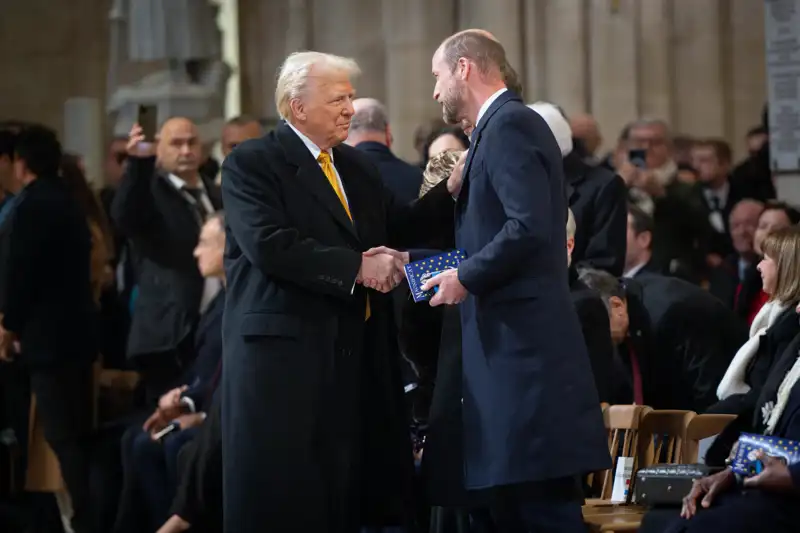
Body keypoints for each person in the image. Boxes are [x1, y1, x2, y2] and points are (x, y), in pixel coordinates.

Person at [220, 51, 458, 532]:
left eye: (351, 97)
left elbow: (402, 223)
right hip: (286, 363)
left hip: (352, 359)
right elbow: (270, 245)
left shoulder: (354, 166)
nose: (350, 108)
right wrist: (357, 267)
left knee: (349, 500)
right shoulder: (252, 163)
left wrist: (452, 186)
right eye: (338, 99)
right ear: (297, 106)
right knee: (289, 502)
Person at [422, 30, 609, 532]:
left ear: (464, 68)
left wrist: (466, 275)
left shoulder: (510, 126)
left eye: (438, 76)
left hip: (524, 361)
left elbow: (528, 225)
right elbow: (489, 231)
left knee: (537, 511)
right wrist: (412, 258)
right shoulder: (492, 132)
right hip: (505, 358)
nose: (435, 91)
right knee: (505, 508)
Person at [0, 125, 98, 533]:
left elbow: (18, 277)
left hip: (47, 341)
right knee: (75, 432)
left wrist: (8, 327)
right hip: (77, 336)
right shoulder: (69, 201)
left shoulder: (30, 207)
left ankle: (88, 517)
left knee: (62, 436)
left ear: (21, 163)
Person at [111, 117, 222, 401]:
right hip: (169, 333)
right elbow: (125, 215)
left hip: (215, 325)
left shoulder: (217, 192)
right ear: (159, 148)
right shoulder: (149, 190)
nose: (186, 150)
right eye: (176, 143)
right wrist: (138, 163)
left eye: (191, 142)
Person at [578, 268, 747, 411]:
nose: (595, 340)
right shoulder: (630, 312)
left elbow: (709, 391)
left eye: (596, 328)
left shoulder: (671, 312)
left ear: (617, 306)